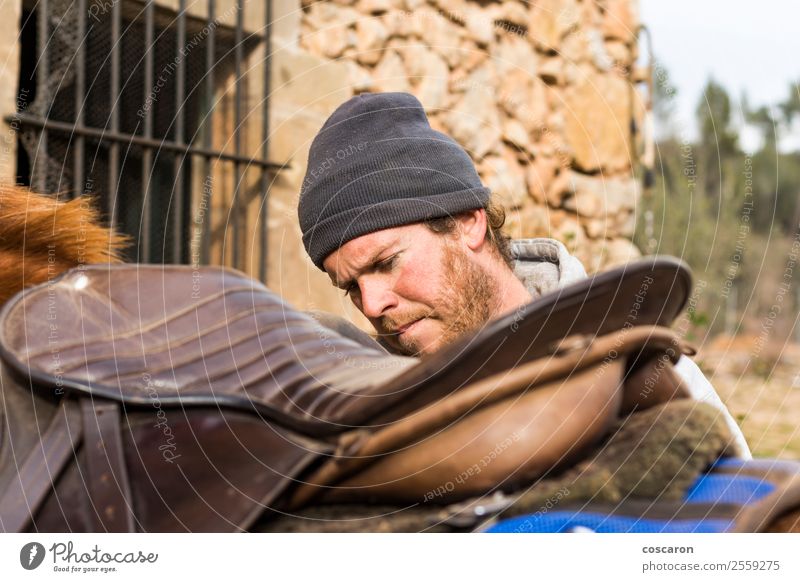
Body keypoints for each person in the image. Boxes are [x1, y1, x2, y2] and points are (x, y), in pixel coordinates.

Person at [297, 91, 751, 457]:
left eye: (385, 263)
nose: (372, 305)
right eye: (352, 287)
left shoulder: (637, 363)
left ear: (468, 222)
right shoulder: (369, 410)